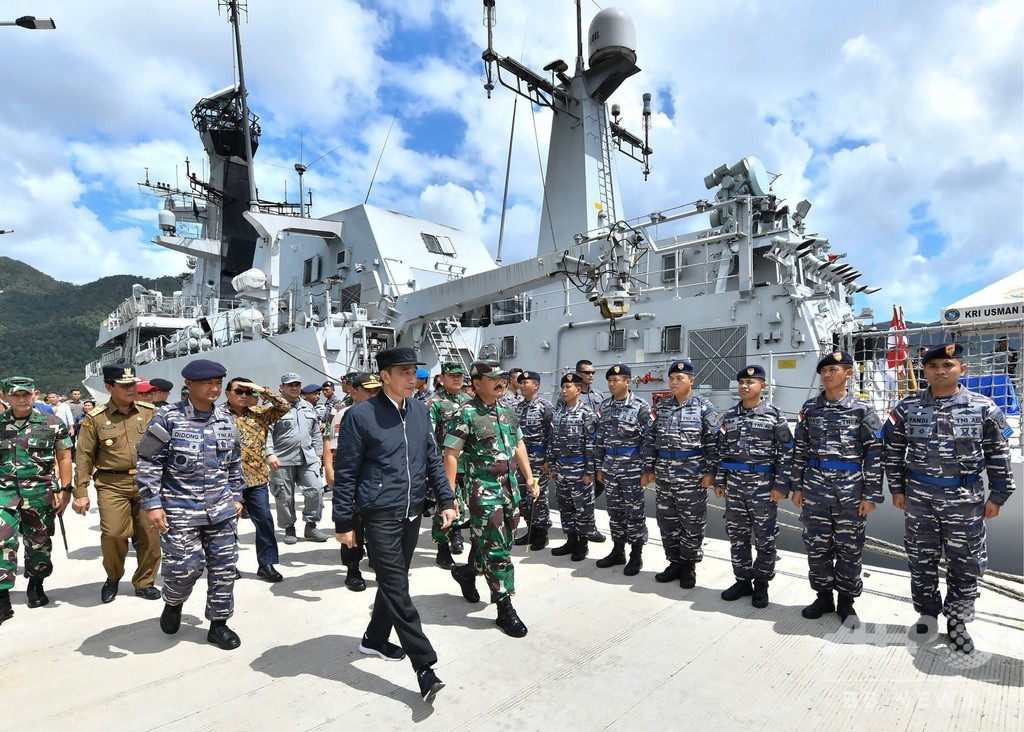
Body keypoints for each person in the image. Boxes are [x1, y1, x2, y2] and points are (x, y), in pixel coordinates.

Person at [332, 347, 457, 704]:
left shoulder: (420, 410)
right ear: (384, 375)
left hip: (411, 510)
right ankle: (424, 665)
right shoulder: (360, 416)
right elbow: (346, 472)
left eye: (414, 372)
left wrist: (446, 499)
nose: (411, 378)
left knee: (393, 580)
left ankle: (374, 639)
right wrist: (344, 520)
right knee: (398, 585)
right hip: (379, 511)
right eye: (403, 372)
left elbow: (433, 459)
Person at [882, 343, 1015, 654]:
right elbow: (892, 451)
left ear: (961, 369)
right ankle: (927, 616)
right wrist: (897, 489)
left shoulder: (983, 407)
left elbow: (999, 453)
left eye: (947, 365)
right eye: (933, 366)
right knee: (920, 559)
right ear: (924, 371)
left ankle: (958, 622)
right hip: (919, 498)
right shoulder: (907, 407)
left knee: (965, 562)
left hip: (965, 499)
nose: (940, 371)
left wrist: (999, 495)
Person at [137, 358, 246, 650]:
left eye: (218, 383)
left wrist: (237, 495)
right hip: (180, 509)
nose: (214, 389)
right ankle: (173, 602)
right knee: (184, 568)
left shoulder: (226, 418)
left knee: (224, 567)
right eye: (207, 383)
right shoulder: (168, 418)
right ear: (189, 384)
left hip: (221, 510)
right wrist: (153, 503)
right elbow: (148, 463)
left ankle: (218, 625)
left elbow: (234, 462)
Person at [444, 360, 538, 638]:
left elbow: (518, 443)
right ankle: (504, 608)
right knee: (499, 553)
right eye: (493, 378)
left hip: (511, 491)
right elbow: (451, 454)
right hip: (484, 493)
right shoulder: (466, 413)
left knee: (501, 543)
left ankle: (467, 572)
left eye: (502, 377)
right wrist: (449, 498)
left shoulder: (508, 410)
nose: (501, 381)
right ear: (476, 384)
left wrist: (530, 478)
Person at [789, 352, 883, 625]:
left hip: (850, 492)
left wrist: (871, 494)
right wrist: (797, 486)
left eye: (834, 369)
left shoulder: (862, 410)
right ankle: (823, 597)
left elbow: (875, 453)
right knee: (817, 546)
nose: (827, 374)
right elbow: (800, 450)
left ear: (849, 373)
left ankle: (846, 601)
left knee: (849, 548)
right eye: (824, 370)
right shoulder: (809, 409)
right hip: (815, 490)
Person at [72, 363, 161, 603]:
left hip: (147, 482)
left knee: (150, 535)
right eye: (124, 386)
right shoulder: (95, 419)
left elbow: (166, 447)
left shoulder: (149, 411)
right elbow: (84, 456)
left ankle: (144, 581)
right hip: (112, 483)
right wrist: (80, 491)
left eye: (132, 384)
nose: (131, 389)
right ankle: (113, 576)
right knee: (113, 534)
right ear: (109, 387)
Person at [714, 364, 793, 609]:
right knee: (737, 536)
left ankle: (761, 584)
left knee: (765, 537)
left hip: (763, 487)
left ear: (763, 386)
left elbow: (786, 452)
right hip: (735, 486)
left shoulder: (774, 414)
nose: (745, 386)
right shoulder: (729, 416)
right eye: (741, 383)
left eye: (751, 382)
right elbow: (721, 450)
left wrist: (781, 484)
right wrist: (720, 480)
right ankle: (742, 580)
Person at [0, 377, 73, 624]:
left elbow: (64, 457)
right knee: (2, 542)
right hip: (4, 493)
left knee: (39, 542)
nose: (21, 399)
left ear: (34, 394)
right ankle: (2, 597)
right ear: (6, 396)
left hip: (40, 493)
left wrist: (66, 489)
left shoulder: (52, 423)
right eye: (15, 394)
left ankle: (36, 585)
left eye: (26, 394)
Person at [641, 360, 719, 589]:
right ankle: (674, 562)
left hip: (692, 475)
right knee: (667, 521)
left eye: (679, 378)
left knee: (692, 523)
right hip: (665, 475)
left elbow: (714, 442)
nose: (674, 382)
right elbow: (649, 439)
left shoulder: (704, 407)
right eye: (672, 378)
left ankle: (688, 566)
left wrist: (711, 472)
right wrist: (649, 468)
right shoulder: (662, 407)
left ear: (691, 380)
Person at [224, 376, 291, 583]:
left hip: (256, 480)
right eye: (239, 391)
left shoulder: (260, 414)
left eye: (248, 392)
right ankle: (227, 565)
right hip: (225, 480)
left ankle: (267, 564)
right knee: (226, 525)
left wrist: (261, 389)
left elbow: (284, 406)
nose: (244, 396)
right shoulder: (216, 415)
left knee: (264, 521)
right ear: (228, 393)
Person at [324, 372, 382, 591]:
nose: (374, 395)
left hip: (379, 481)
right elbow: (335, 447)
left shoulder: (386, 413)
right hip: (355, 480)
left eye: (377, 390)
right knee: (354, 524)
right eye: (368, 391)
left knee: (378, 526)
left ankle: (377, 561)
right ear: (354, 391)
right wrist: (330, 470)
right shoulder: (345, 415)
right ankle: (352, 569)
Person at [593, 364, 652, 576]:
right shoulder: (605, 406)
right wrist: (599, 467)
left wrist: (646, 470)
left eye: (616, 380)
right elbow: (599, 439)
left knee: (634, 513)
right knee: (614, 511)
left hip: (632, 469)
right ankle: (618, 550)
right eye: (609, 380)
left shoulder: (640, 406)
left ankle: (636, 554)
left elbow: (649, 440)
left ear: (627, 381)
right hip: (610, 468)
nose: (611, 384)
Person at [267, 373, 328, 544]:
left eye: (297, 385)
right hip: (282, 459)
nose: (294, 388)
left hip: (307, 458)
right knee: (284, 495)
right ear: (282, 387)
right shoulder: (274, 408)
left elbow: (315, 432)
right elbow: (267, 433)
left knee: (315, 489)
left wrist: (318, 455)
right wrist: (270, 453)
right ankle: (289, 527)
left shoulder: (308, 406)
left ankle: (311, 526)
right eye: (290, 385)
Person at [547, 373, 598, 561]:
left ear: (578, 389)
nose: (565, 390)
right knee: (565, 507)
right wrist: (552, 465)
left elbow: (592, 444)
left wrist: (589, 471)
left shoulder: (586, 413)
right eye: (563, 387)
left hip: (579, 468)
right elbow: (552, 441)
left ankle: (582, 544)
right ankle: (570, 540)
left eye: (569, 387)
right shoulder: (558, 413)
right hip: (561, 468)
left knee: (582, 508)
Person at [425, 362, 470, 569]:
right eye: (452, 375)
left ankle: (458, 535)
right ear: (442, 378)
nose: (457, 379)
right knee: (444, 505)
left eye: (460, 375)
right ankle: (442, 547)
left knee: (467, 504)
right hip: (444, 463)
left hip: (468, 463)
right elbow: (429, 437)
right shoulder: (434, 403)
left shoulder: (469, 401)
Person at [513, 370, 554, 550]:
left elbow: (554, 434)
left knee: (538, 497)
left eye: (525, 383)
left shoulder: (545, 406)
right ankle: (530, 530)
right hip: (521, 460)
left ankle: (541, 533)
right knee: (523, 498)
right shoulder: (518, 407)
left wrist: (548, 459)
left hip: (539, 459)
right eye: (520, 383)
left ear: (536, 385)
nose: (521, 386)